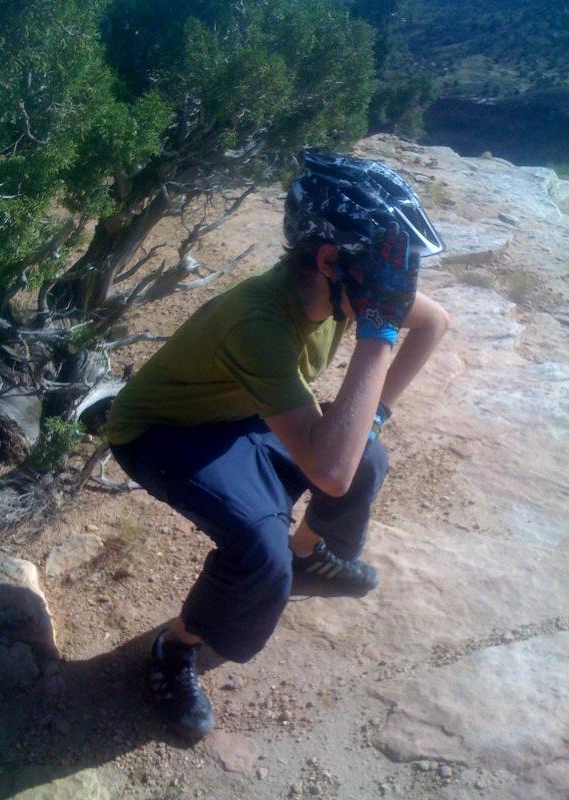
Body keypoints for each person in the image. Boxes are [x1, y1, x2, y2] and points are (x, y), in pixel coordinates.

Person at [107, 150, 448, 739]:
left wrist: (373, 416)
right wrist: (379, 329)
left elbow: (434, 322)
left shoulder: (346, 289)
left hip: (243, 407)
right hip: (165, 431)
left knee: (364, 453)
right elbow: (331, 473)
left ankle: (308, 554)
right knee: (258, 547)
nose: (401, 290)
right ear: (329, 260)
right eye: (392, 275)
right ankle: (173, 648)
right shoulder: (258, 320)